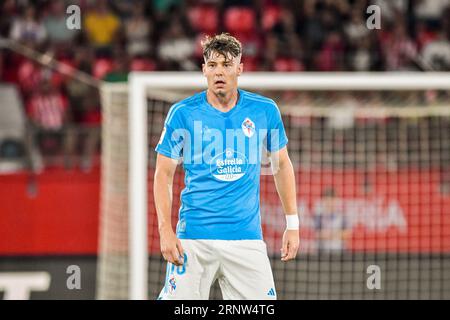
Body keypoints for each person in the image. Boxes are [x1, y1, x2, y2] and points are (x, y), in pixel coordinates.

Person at [154, 33, 299, 300]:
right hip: (194, 238)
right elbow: (163, 173)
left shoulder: (264, 111)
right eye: (212, 65)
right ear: (204, 70)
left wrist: (293, 224)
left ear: (239, 69)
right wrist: (165, 229)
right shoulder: (183, 113)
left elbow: (282, 166)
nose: (219, 72)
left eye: (226, 65)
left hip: (246, 239)